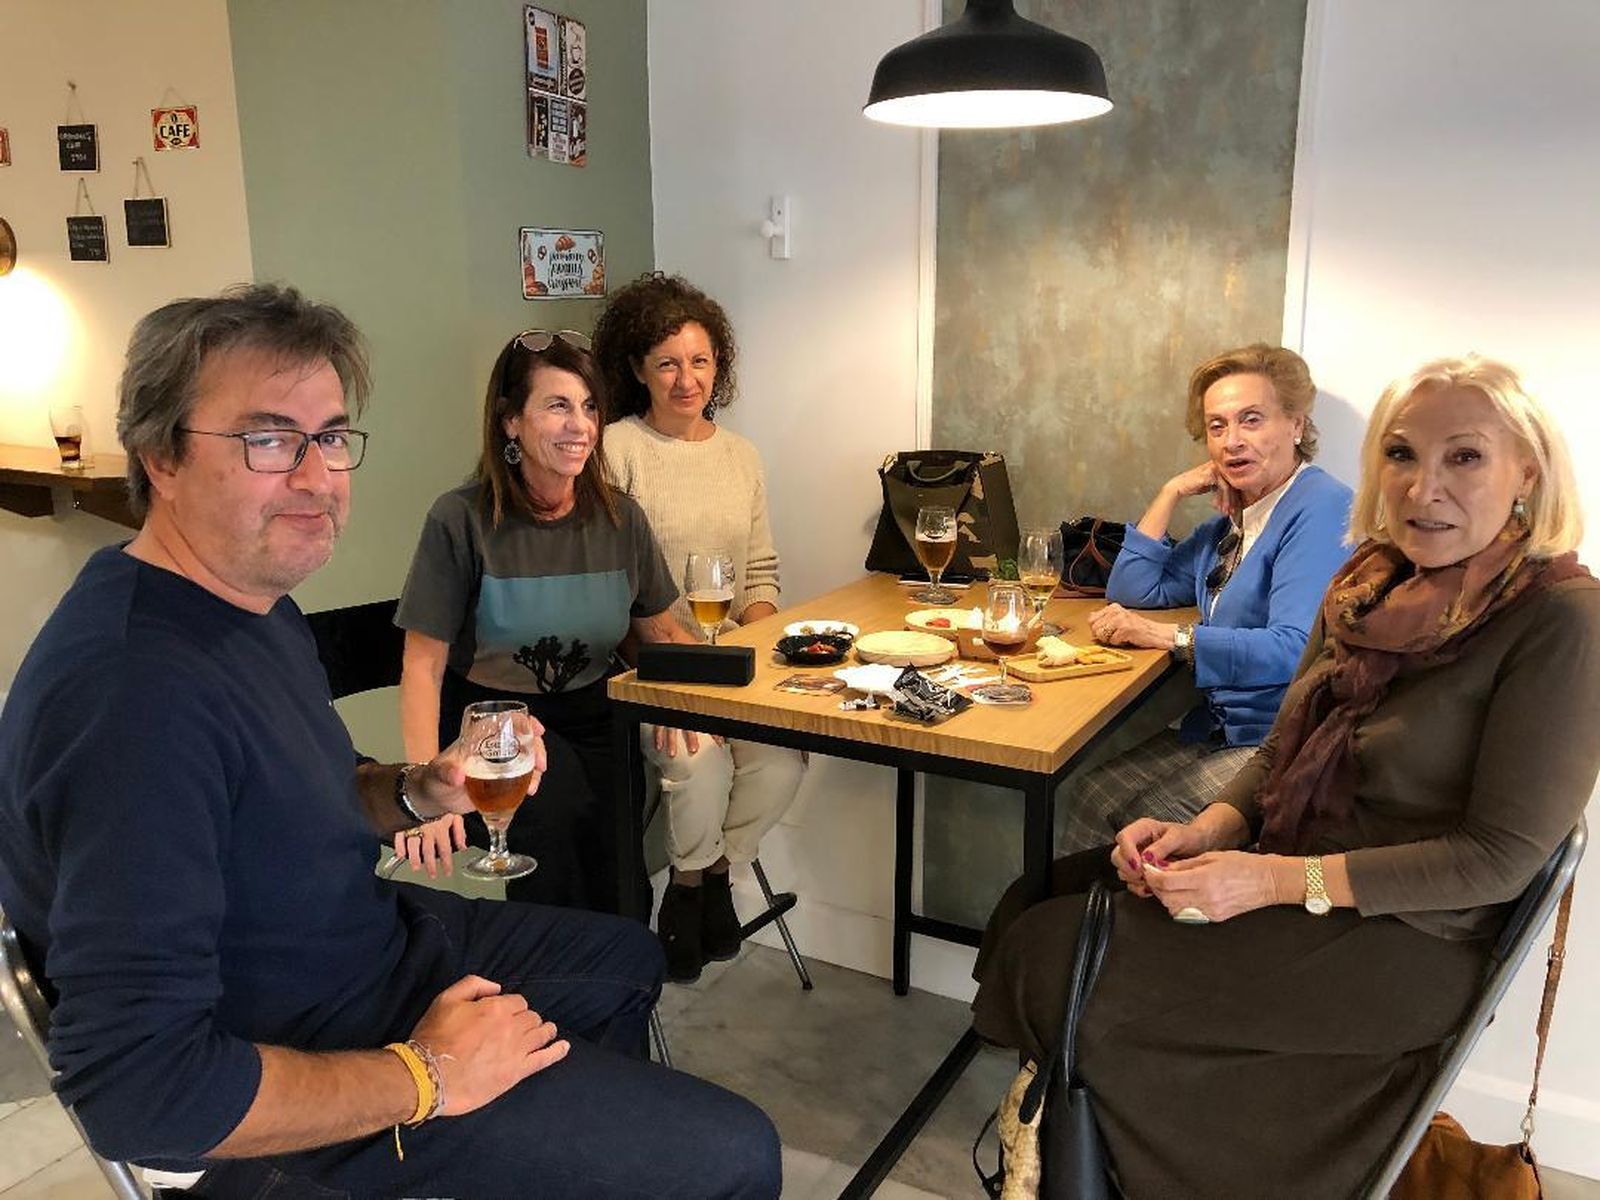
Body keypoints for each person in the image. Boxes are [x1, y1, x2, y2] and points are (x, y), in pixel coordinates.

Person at [0, 285, 780, 1199]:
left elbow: (307, 794)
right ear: (160, 457)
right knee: (735, 1155)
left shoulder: (247, 606)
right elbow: (138, 1088)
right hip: (310, 1055)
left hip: (369, 949)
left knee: (625, 958)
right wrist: (427, 1077)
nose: (317, 476)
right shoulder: (131, 700)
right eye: (267, 438)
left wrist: (420, 789)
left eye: (330, 436)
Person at [973, 355, 1600, 1200]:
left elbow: (1497, 858)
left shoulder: (1560, 619)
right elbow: (1282, 749)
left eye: (1465, 457)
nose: (1423, 489)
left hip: (1405, 938)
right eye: (1404, 455)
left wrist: (1267, 881)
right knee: (1036, 900)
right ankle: (1120, 1135)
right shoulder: (1370, 581)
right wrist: (1209, 830)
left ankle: (1128, 1156)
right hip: (1293, 863)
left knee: (1055, 960)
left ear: (1527, 470)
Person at [397, 328, 699, 919]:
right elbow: (422, 665)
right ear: (511, 422)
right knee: (558, 821)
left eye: (589, 407)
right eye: (558, 406)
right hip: (494, 722)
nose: (581, 426)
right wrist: (421, 789)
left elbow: (663, 633)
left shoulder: (620, 518)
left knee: (619, 860)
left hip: (598, 710)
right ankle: (554, 993)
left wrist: (718, 700)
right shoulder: (460, 519)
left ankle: (623, 994)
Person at [591, 272, 806, 982]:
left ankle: (708, 876)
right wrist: (677, 676)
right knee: (699, 763)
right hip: (651, 671)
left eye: (701, 361)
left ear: (721, 367)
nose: (687, 379)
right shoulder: (617, 450)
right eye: (668, 363)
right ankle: (690, 896)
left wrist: (763, 647)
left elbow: (761, 575)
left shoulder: (740, 455)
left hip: (731, 667)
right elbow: (608, 589)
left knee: (782, 760)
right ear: (636, 371)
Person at [1058, 344, 1352, 852]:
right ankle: (1091, 929)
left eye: (1251, 420)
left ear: (1296, 426)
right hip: (1222, 729)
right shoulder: (1239, 516)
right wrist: (1171, 491)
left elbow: (1292, 649)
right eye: (1217, 427)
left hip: (1280, 741)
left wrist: (1167, 637)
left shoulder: (1321, 506)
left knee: (1138, 825)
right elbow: (1134, 589)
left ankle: (1121, 928)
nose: (1232, 442)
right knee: (1088, 794)